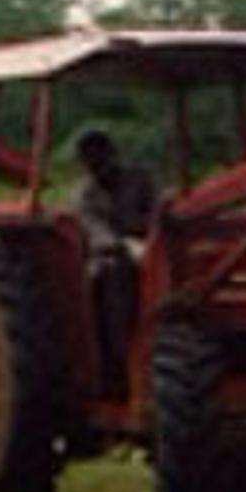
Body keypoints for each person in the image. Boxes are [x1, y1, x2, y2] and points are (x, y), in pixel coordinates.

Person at [75, 128, 160, 371]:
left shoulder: (139, 180)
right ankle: (118, 356)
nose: (97, 166)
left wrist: (150, 236)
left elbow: (157, 210)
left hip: (151, 244)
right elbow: (94, 229)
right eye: (90, 161)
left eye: (101, 158)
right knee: (110, 276)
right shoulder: (85, 194)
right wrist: (121, 245)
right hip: (109, 255)